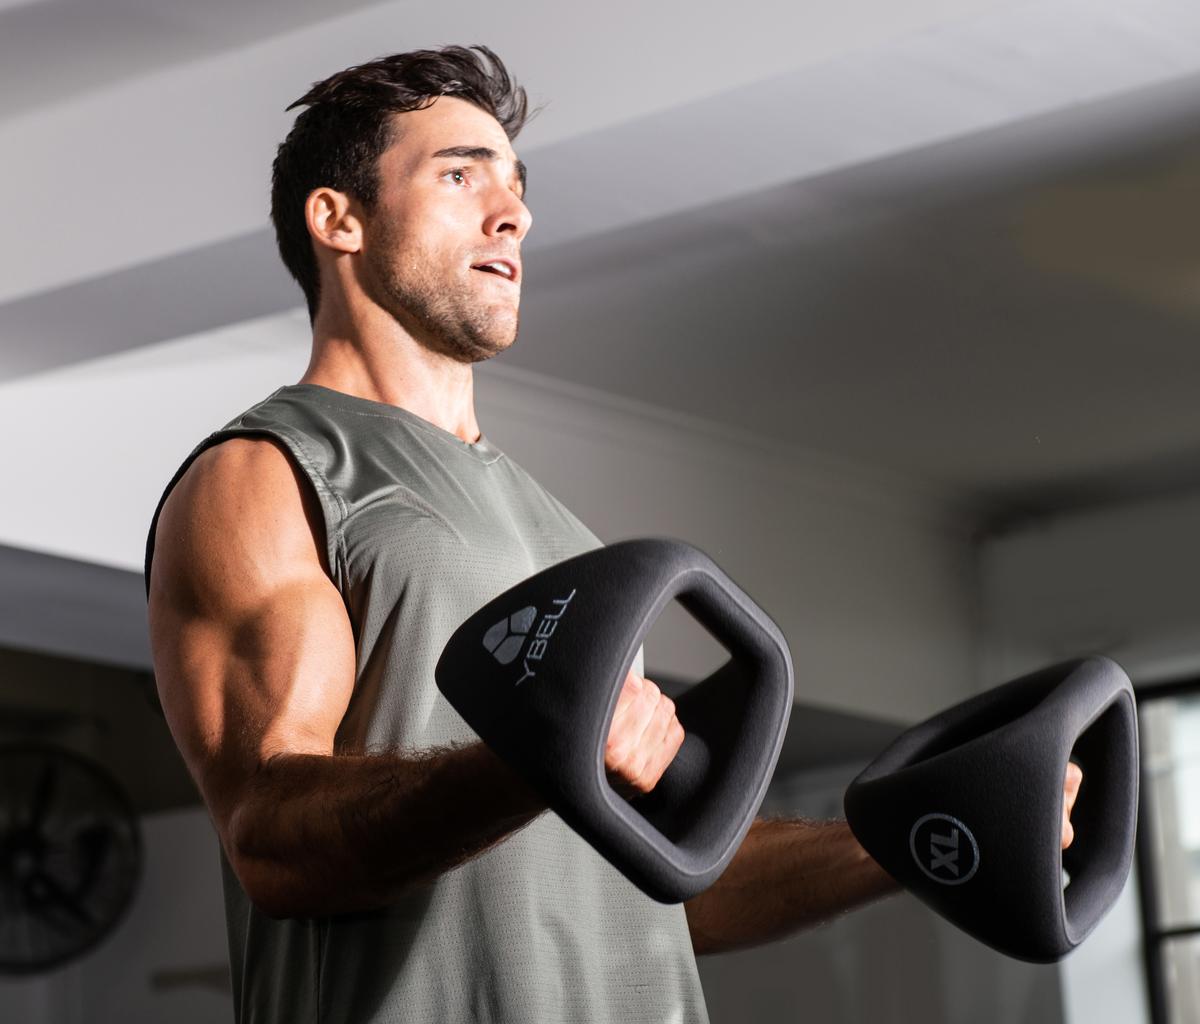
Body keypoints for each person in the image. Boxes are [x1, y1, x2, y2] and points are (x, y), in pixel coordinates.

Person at [145, 45, 1083, 1024]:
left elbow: (661, 882)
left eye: (517, 186)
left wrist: (910, 837)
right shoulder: (271, 474)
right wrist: (536, 759)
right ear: (338, 218)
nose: (513, 214)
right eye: (460, 176)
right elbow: (273, 840)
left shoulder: (564, 536)